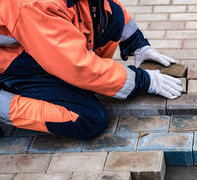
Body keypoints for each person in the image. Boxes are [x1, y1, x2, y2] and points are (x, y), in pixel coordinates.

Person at [0, 0, 182, 139]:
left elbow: (109, 8)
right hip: (12, 66)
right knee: (90, 119)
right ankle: (4, 103)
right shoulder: (34, 4)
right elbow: (76, 66)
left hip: (44, 47)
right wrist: (142, 80)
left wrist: (137, 43)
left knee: (112, 15)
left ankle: (95, 80)